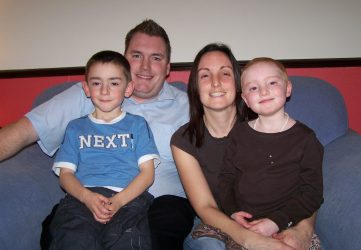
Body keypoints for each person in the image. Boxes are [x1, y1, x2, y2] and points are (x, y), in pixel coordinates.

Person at [0, 19, 195, 250]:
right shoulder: (90, 93)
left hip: (160, 206)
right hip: (88, 199)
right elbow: (23, 131)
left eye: (156, 58)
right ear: (123, 58)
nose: (145, 66)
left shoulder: (189, 107)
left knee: (166, 221)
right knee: (62, 228)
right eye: (136, 55)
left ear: (168, 67)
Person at [171, 43, 319, 250]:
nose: (215, 83)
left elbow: (307, 186)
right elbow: (205, 207)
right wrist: (250, 239)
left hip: (279, 219)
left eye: (225, 73)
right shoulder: (183, 140)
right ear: (195, 85)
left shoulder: (270, 123)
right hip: (218, 224)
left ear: (238, 83)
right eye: (205, 75)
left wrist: (302, 230)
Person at [49, 50, 159, 249]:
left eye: (114, 83)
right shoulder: (76, 127)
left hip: (128, 199)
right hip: (82, 199)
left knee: (128, 238)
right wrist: (86, 197)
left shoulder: (137, 125)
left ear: (128, 88)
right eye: (97, 83)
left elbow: (147, 174)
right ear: (87, 88)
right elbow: (65, 175)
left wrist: (118, 201)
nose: (105, 90)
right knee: (74, 236)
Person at [219, 57, 324, 239]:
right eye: (253, 88)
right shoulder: (238, 134)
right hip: (242, 225)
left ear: (288, 88)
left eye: (272, 82)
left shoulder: (305, 139)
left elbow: (312, 193)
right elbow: (226, 180)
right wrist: (233, 212)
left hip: (286, 225)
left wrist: (276, 222)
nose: (263, 91)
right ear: (245, 99)